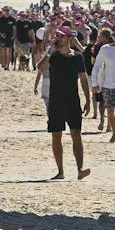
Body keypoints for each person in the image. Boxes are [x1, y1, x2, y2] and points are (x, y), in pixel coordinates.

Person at [36, 27, 92, 180]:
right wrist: (50, 51)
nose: (59, 39)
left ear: (69, 38)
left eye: (62, 36)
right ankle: (60, 171)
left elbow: (83, 78)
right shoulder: (52, 56)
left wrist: (88, 100)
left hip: (73, 100)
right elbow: (40, 69)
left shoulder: (78, 57)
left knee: (76, 134)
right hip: (56, 101)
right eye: (57, 36)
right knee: (56, 136)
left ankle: (80, 169)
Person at [90, 25, 115, 145]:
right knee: (110, 111)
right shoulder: (105, 49)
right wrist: (94, 82)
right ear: (112, 36)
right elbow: (97, 66)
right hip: (107, 84)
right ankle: (114, 132)